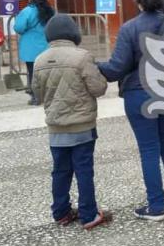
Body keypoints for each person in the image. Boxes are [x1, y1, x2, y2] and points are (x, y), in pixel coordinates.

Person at [98, 0, 164, 220]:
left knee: (149, 149)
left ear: (138, 2)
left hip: (139, 93)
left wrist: (95, 66)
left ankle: (156, 205)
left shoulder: (129, 29)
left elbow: (116, 68)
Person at [32, 14, 112, 230]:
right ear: (73, 33)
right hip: (82, 127)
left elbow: (37, 96)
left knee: (60, 171)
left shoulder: (39, 60)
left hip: (56, 128)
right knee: (84, 170)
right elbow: (98, 88)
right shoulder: (82, 57)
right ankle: (89, 214)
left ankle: (61, 212)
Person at [14, 0, 55, 106]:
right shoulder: (51, 10)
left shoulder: (27, 11)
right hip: (47, 45)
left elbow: (19, 28)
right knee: (48, 71)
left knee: (32, 72)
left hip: (30, 46)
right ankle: (50, 95)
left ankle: (36, 97)